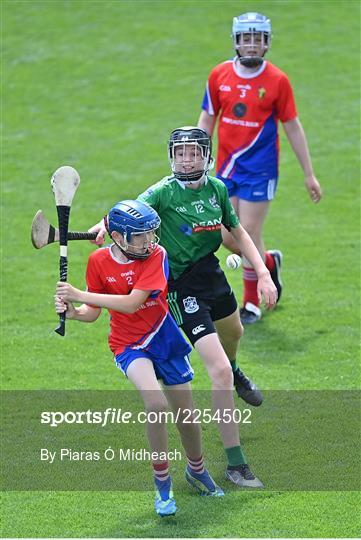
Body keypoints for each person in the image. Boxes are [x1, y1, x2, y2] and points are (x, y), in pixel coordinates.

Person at [90, 127, 278, 487]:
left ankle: (236, 370)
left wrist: (264, 274)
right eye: (179, 153)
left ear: (206, 156)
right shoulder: (163, 191)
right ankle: (236, 464)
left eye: (193, 153)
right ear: (171, 156)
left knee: (234, 333)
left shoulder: (217, 190)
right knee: (217, 370)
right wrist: (103, 225)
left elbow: (238, 234)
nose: (185, 159)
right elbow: (133, 208)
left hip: (211, 273)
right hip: (179, 286)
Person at [55, 199, 224, 518]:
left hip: (164, 337)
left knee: (187, 418)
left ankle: (196, 469)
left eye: (151, 233)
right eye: (140, 236)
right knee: (156, 405)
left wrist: (78, 294)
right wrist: (75, 313)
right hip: (129, 344)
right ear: (118, 237)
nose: (149, 241)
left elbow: (132, 303)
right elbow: (94, 313)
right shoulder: (98, 261)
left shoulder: (157, 256)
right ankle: (162, 485)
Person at [198, 12, 322, 324]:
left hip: (260, 170)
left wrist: (308, 173)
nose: (252, 45)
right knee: (227, 237)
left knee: (248, 232)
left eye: (258, 39)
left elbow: (293, 126)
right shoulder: (219, 75)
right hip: (227, 167)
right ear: (236, 42)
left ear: (266, 43)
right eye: (246, 38)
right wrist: (198, 157)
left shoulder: (277, 81)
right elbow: (208, 118)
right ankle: (268, 263)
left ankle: (251, 303)